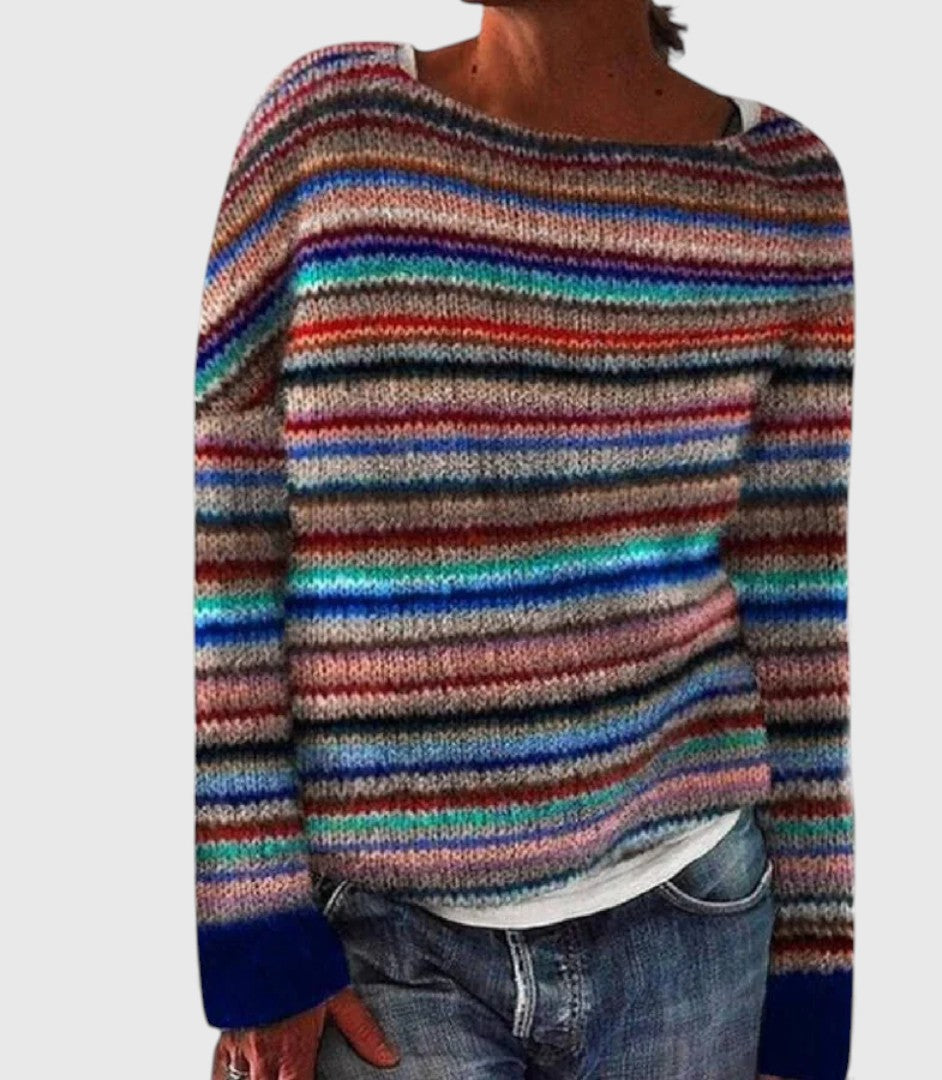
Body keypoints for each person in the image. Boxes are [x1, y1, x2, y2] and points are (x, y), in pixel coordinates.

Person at [193, 3, 855, 1078]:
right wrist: (256, 928)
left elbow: (795, 598)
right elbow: (231, 533)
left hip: (694, 922)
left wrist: (815, 981)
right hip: (381, 944)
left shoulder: (782, 192)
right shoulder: (330, 129)